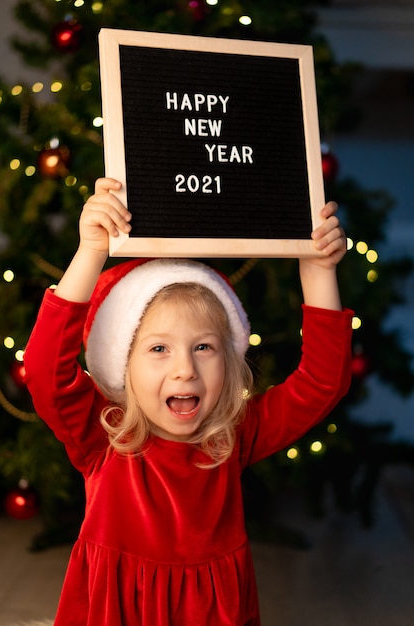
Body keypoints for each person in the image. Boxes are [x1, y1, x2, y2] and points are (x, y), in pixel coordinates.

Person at [24, 178, 353, 626]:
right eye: (159, 349)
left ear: (230, 361)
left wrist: (317, 274)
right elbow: (45, 370)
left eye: (204, 347)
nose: (185, 370)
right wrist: (90, 253)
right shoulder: (104, 435)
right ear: (122, 366)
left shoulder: (235, 434)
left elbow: (321, 382)